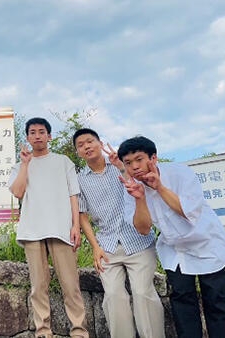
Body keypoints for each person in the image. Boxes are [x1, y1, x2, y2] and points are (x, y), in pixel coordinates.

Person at [118, 136, 225, 338]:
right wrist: (140, 199)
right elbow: (143, 228)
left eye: (139, 159)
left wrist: (159, 188)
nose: (134, 167)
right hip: (176, 250)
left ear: (153, 158)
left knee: (218, 303)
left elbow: (188, 212)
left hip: (208, 244)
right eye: (128, 163)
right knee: (182, 303)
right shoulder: (131, 187)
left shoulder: (180, 173)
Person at [73, 128, 164, 338]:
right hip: (107, 245)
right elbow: (82, 215)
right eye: (80, 145)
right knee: (113, 296)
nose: (86, 146)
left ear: (99, 143)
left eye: (90, 141)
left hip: (139, 241)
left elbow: (140, 187)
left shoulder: (121, 165)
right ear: (78, 152)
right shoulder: (79, 180)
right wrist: (95, 247)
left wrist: (122, 167)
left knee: (143, 293)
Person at [8, 117, 88, 338]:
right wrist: (25, 164)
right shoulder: (19, 165)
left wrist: (76, 226)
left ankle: (79, 331)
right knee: (38, 286)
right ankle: (43, 331)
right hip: (32, 231)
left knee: (70, 285)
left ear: (49, 136)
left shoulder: (63, 162)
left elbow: (73, 195)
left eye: (41, 132)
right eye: (32, 132)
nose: (37, 136)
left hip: (61, 229)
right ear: (27, 137)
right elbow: (18, 192)